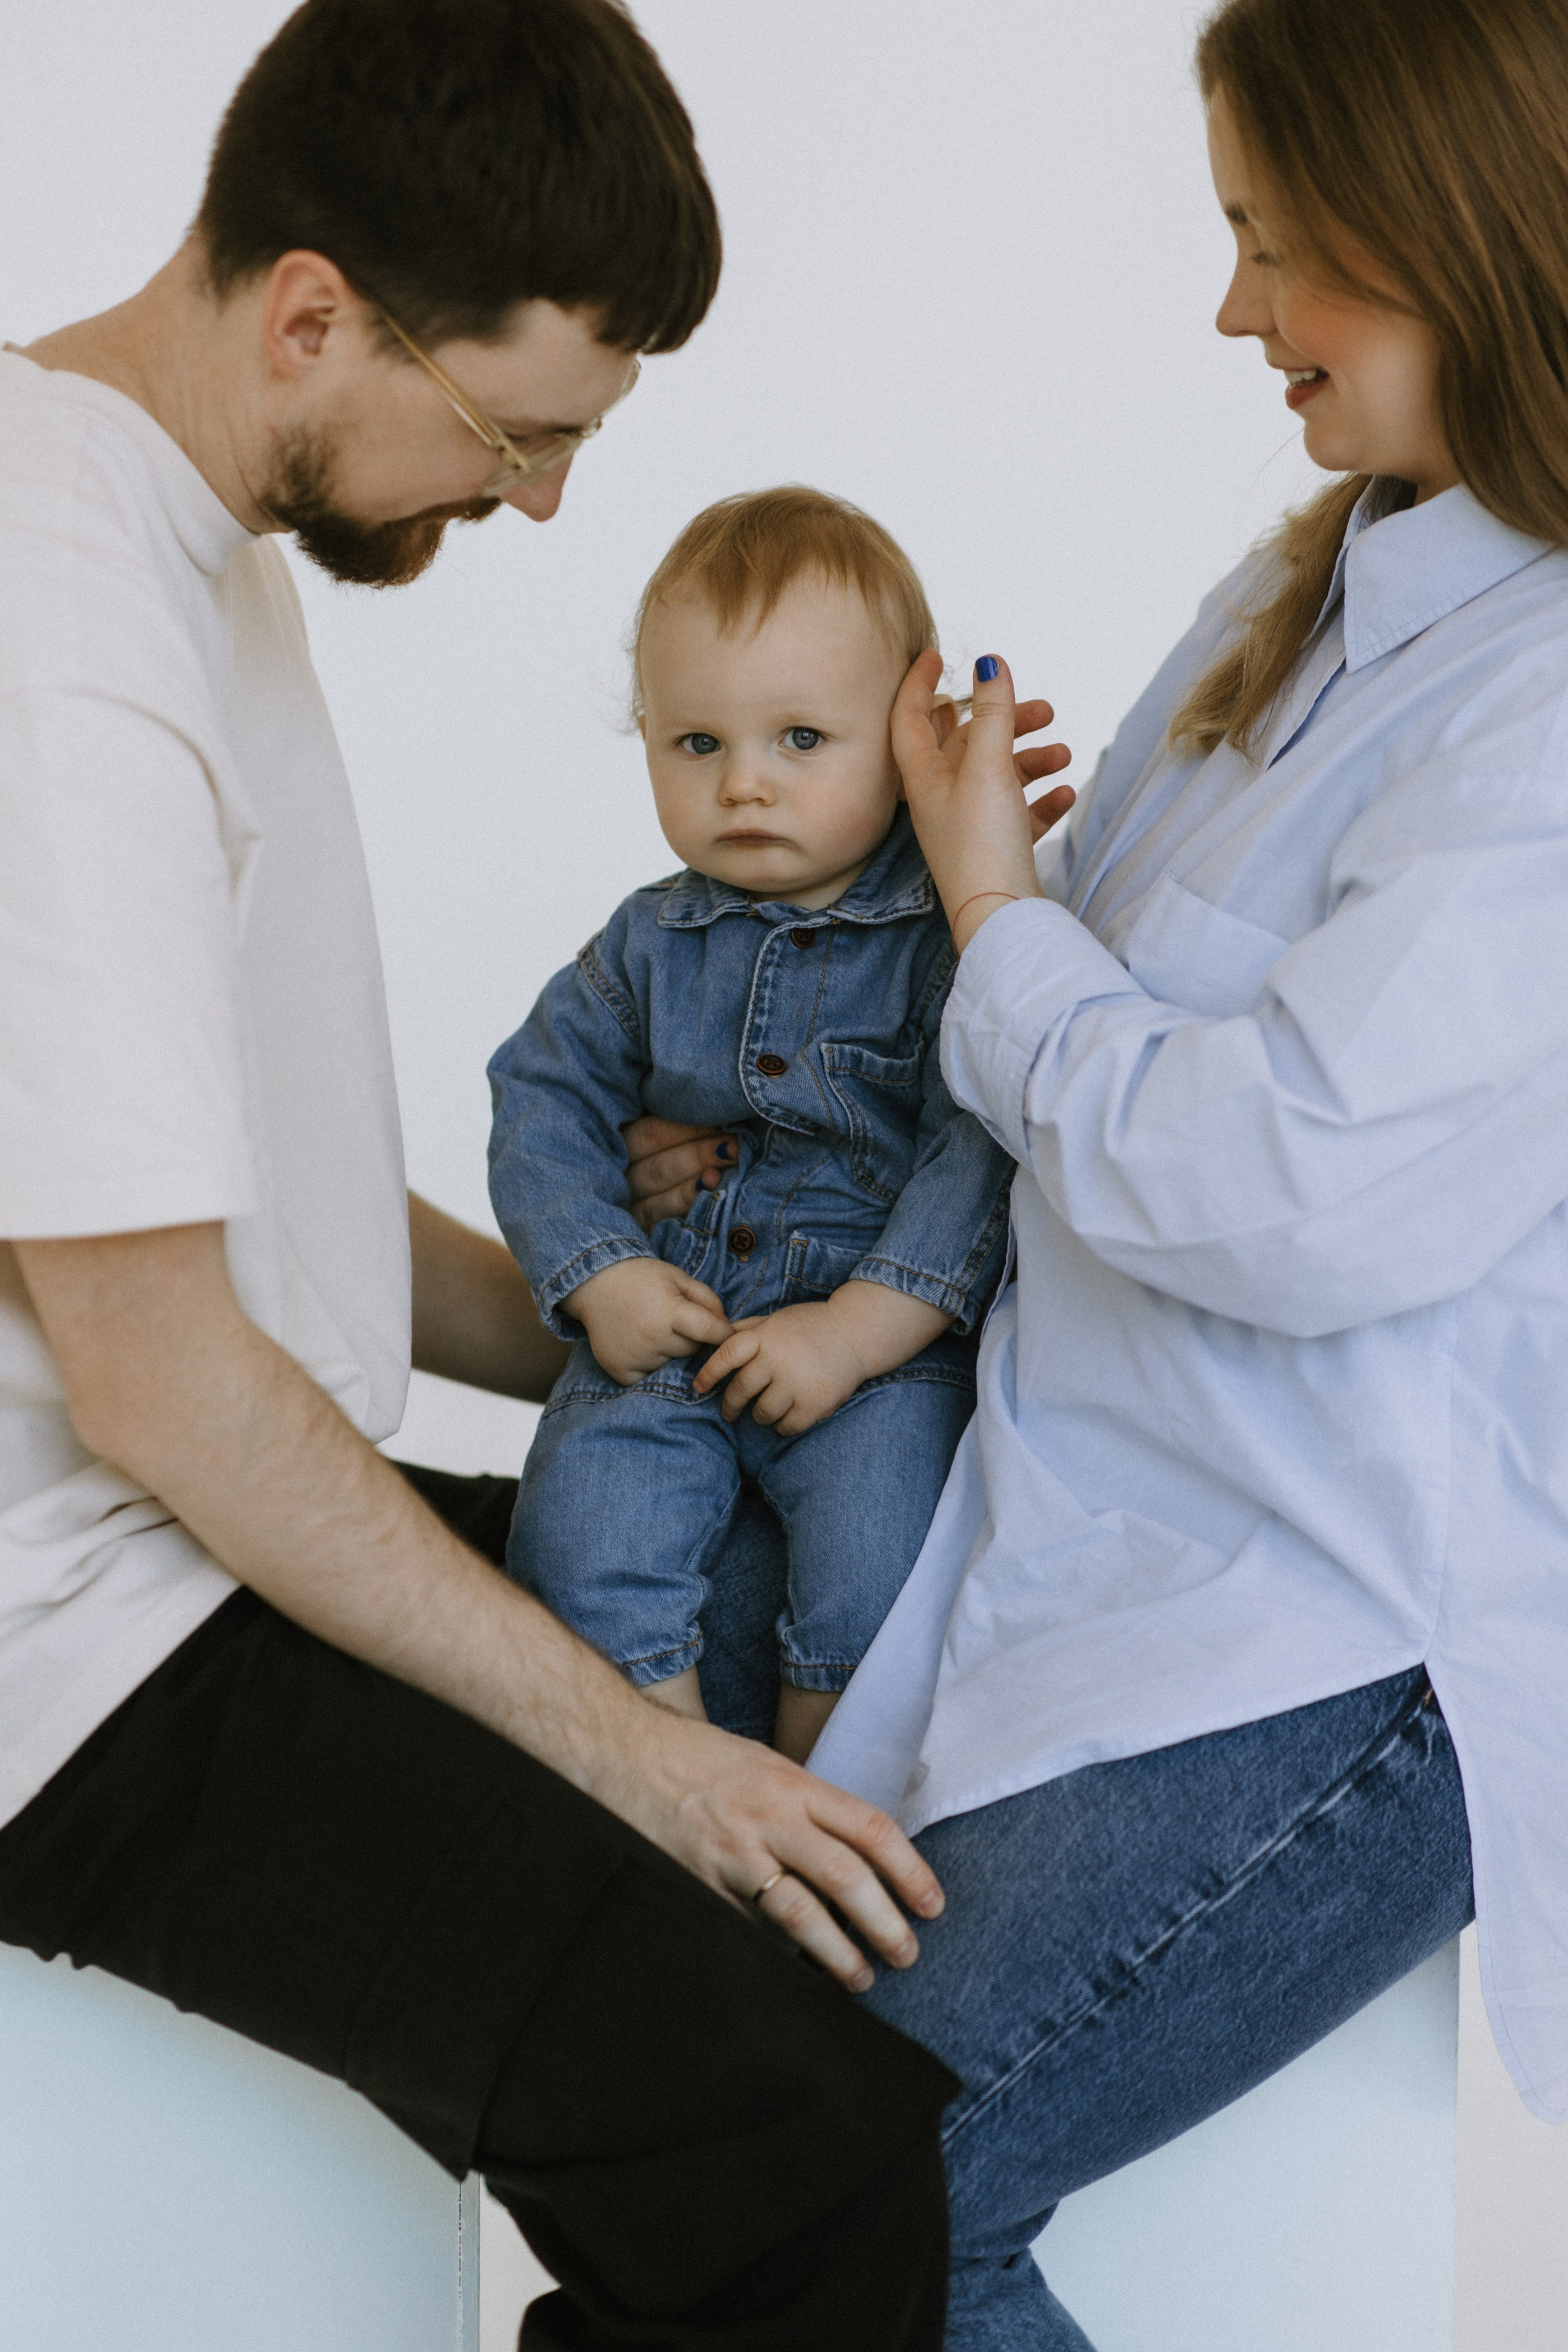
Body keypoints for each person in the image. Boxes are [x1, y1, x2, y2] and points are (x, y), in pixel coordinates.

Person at [0, 6, 960, 2347]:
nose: (537, 506)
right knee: (805, 2171)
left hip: (183, 1524)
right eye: (518, 434)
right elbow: (156, 1385)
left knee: (800, 1658)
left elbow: (265, 1246)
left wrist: (664, 1307)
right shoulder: (57, 641)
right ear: (314, 309)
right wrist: (643, 1768)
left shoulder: (182, 529)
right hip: (77, 1649)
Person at [766, 0, 1568, 2339]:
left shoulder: (1542, 710)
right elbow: (1077, 1053)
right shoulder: (1300, 593)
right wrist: (945, 859)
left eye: (1284, 249)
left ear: (1473, 245)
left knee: (803, 2200)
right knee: (724, 2180)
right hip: (1069, 1544)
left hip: (1326, 1634)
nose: (1237, 313)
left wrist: (1005, 917)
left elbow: (1289, 1188)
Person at [488, 488, 1012, 1764]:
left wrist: (855, 1331)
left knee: (882, 1555)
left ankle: (823, 1773)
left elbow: (976, 1146)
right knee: (579, 1520)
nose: (745, 786)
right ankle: (665, 1767)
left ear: (907, 740)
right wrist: (599, 1272)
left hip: (872, 1345)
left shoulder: (949, 942)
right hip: (678, 1309)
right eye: (696, 746)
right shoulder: (649, 940)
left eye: (797, 738)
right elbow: (541, 1096)